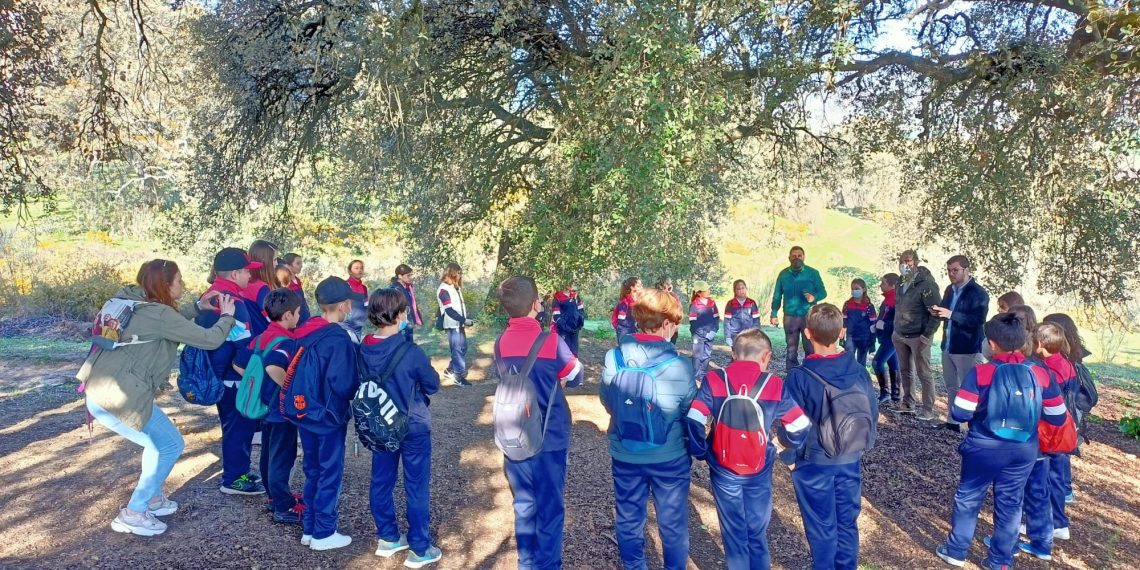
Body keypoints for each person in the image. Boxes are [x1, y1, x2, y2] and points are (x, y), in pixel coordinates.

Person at [79, 260, 236, 536]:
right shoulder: (160, 314)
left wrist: (199, 308)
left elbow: (162, 321)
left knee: (156, 444)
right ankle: (134, 512)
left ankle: (151, 497)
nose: (183, 286)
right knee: (170, 444)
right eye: (179, 280)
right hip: (119, 396)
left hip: (99, 391)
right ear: (166, 285)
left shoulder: (128, 300)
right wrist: (227, 316)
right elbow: (209, 339)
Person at [935, 313, 1068, 570]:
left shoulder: (982, 372)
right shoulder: (1039, 372)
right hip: (1024, 450)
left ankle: (956, 550)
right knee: (1011, 502)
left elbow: (959, 412)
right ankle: (1001, 560)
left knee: (969, 498)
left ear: (992, 344)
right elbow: (1058, 415)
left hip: (983, 447)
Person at [685, 328, 811, 569]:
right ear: (767, 356)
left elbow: (694, 418)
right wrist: (779, 445)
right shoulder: (774, 384)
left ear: (734, 353)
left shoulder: (714, 379)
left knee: (733, 534)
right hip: (759, 467)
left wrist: (701, 451)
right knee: (756, 532)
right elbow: (800, 425)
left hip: (723, 467)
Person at [600, 288, 696, 570]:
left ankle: (634, 566)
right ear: (666, 324)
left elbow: (608, 402)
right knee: (673, 523)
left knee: (629, 518)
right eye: (676, 324)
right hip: (670, 457)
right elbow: (689, 411)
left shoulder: (613, 358)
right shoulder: (680, 365)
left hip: (625, 451)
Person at [495, 276, 583, 570]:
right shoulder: (551, 342)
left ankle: (526, 562)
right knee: (550, 507)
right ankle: (548, 565)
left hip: (514, 435)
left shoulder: (500, 343)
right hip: (550, 436)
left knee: (523, 504)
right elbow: (576, 375)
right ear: (536, 304)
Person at [783, 303, 879, 570]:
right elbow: (872, 411)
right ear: (842, 333)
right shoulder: (859, 370)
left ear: (808, 333)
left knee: (821, 524)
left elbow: (790, 425)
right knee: (847, 521)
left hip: (814, 462)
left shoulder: (799, 378)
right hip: (850, 457)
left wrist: (789, 457)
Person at [361, 289, 443, 567]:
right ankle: (419, 547)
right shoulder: (411, 351)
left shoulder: (363, 347)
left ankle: (388, 537)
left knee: (381, 480)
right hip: (412, 425)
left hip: (378, 423)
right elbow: (432, 384)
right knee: (416, 485)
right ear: (399, 314)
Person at [293, 277, 363, 551]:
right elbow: (344, 382)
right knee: (330, 470)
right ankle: (324, 531)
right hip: (329, 414)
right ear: (344, 305)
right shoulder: (337, 337)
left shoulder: (304, 329)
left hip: (304, 411)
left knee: (312, 469)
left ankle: (310, 528)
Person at [196, 247, 266, 495]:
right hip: (232, 377)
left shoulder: (212, 295)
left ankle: (238, 471)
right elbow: (244, 343)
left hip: (220, 373)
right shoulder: (231, 300)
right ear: (235, 273)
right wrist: (251, 371)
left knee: (234, 426)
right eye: (248, 272)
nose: (251, 277)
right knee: (239, 426)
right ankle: (234, 479)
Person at [232, 288, 303, 525]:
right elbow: (274, 366)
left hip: (263, 406)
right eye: (298, 313)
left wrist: (258, 384)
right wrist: (288, 389)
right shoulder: (287, 341)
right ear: (288, 315)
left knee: (267, 454)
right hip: (280, 410)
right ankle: (283, 507)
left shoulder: (261, 337)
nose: (299, 316)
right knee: (283, 457)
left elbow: (239, 365)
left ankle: (274, 498)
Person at [932, 256, 990, 431]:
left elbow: (977, 320)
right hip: (948, 344)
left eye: (955, 270)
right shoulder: (950, 289)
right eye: (949, 270)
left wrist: (951, 315)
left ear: (966, 270)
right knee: (951, 386)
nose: (951, 274)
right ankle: (953, 421)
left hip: (967, 347)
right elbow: (945, 309)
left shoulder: (979, 293)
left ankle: (972, 424)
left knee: (969, 387)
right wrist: (936, 312)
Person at [1035, 322, 1076, 544]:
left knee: (1044, 478)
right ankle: (1059, 523)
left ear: (1040, 344)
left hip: (1050, 432)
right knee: (1058, 479)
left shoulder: (1048, 370)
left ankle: (1050, 523)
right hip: (1064, 431)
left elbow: (1048, 404)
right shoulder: (1067, 364)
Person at [1042, 312, 1088, 505]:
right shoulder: (1072, 354)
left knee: (1057, 454)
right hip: (1071, 412)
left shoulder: (1060, 361)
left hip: (1060, 413)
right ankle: (1066, 489)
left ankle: (1060, 493)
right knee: (1063, 452)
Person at [891, 249, 941, 421]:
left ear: (916, 263)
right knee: (905, 370)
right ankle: (908, 403)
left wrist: (928, 334)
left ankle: (928, 409)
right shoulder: (899, 282)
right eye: (902, 261)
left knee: (924, 373)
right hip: (899, 333)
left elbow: (936, 313)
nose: (905, 265)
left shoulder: (927, 284)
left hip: (919, 335)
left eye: (908, 261)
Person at [769, 246, 827, 370]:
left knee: (810, 347)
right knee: (791, 348)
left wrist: (814, 297)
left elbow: (823, 292)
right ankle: (791, 373)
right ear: (789, 258)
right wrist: (774, 313)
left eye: (799, 255)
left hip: (809, 316)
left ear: (804, 257)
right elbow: (777, 296)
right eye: (794, 256)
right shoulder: (783, 274)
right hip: (790, 317)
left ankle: (810, 372)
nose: (797, 258)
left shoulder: (813, 273)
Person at [437, 263, 473, 386]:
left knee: (462, 348)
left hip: (459, 324)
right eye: (458, 273)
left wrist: (464, 320)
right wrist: (464, 320)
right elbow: (449, 310)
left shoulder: (454, 287)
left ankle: (450, 370)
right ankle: (458, 376)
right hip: (453, 325)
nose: (460, 276)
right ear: (452, 273)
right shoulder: (443, 290)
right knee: (458, 350)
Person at [871, 274, 900, 404]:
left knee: (877, 363)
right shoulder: (888, 299)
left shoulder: (896, 300)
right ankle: (896, 394)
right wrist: (876, 324)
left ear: (892, 285)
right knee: (893, 364)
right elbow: (884, 315)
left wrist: (884, 325)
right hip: (885, 337)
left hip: (892, 338)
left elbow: (899, 321)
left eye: (883, 283)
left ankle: (885, 392)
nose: (881, 285)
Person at [841, 278, 877, 368]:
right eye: (852, 289)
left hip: (864, 337)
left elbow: (873, 325)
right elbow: (843, 322)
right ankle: (848, 379)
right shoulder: (847, 304)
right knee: (848, 360)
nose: (854, 291)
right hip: (851, 336)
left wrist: (873, 341)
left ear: (864, 289)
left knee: (861, 362)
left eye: (857, 289)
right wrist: (841, 338)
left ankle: (861, 380)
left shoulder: (869, 306)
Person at [688, 281, 720, 379]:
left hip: (710, 334)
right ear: (699, 292)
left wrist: (714, 330)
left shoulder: (712, 303)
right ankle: (694, 376)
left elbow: (717, 318)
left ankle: (702, 375)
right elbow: (693, 322)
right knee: (697, 356)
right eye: (706, 290)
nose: (709, 291)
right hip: (698, 336)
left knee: (707, 355)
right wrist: (702, 334)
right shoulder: (695, 304)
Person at [389, 264, 423, 343]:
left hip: (408, 321)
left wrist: (414, 319)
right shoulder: (394, 289)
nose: (411, 277)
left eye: (411, 275)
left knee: (409, 344)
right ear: (400, 276)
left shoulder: (408, 287)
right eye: (408, 275)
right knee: (402, 344)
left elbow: (412, 304)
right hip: (400, 322)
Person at [723, 279, 761, 350]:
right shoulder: (730, 303)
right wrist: (728, 336)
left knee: (748, 355)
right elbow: (726, 321)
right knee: (736, 356)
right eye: (738, 289)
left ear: (746, 289)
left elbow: (756, 321)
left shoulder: (752, 303)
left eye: (743, 288)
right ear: (735, 291)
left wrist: (756, 333)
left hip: (749, 334)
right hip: (735, 335)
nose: (741, 290)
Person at [550, 283, 587, 356]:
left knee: (574, 351)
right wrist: (566, 328)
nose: (570, 289)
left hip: (575, 329)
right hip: (563, 330)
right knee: (564, 351)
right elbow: (556, 316)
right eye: (567, 288)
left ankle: (574, 365)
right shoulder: (557, 298)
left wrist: (580, 323)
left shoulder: (576, 296)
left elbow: (581, 310)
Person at [281, 253, 311, 324]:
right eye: (298, 263)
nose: (301, 266)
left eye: (301, 263)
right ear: (288, 265)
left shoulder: (297, 280)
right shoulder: (285, 284)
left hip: (305, 316)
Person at [344, 259, 369, 339]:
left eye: (361, 268)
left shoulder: (364, 288)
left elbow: (366, 305)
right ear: (350, 271)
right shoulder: (345, 285)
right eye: (356, 268)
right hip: (346, 327)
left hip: (359, 327)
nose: (360, 270)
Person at [656, 277, 684, 344]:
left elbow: (679, 309)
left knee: (671, 345)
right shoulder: (656, 295)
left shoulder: (673, 295)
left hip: (672, 326)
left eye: (670, 283)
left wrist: (677, 324)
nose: (670, 285)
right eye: (668, 283)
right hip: (660, 326)